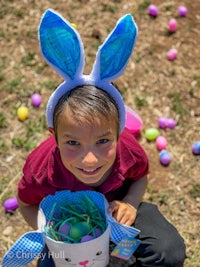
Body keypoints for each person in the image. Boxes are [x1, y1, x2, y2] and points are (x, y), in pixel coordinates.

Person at [17, 9, 186, 267]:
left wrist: (129, 203)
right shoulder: (41, 169)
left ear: (119, 134)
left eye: (103, 141)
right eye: (73, 142)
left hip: (118, 217)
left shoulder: (127, 149)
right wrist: (51, 233)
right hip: (67, 235)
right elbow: (26, 203)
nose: (89, 158)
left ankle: (118, 261)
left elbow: (140, 175)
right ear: (55, 136)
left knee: (167, 250)